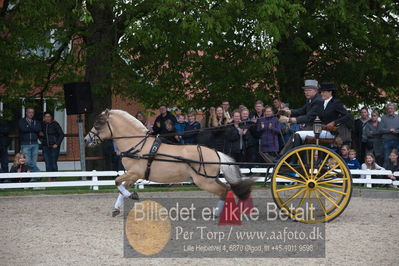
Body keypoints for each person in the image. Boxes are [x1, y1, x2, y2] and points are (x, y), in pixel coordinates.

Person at [41, 111, 65, 181]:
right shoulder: (42, 125)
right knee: (47, 163)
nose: (47, 118)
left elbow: (61, 134)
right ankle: (49, 177)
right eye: (46, 117)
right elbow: (39, 133)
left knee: (53, 162)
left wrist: (57, 144)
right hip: (45, 146)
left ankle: (54, 177)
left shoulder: (55, 124)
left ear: (51, 117)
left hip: (54, 147)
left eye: (49, 117)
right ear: (44, 118)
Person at [18, 107, 41, 173]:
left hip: (35, 144)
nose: (31, 114)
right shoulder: (22, 121)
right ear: (26, 113)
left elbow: (38, 129)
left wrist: (29, 127)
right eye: (29, 112)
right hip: (25, 144)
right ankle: (38, 173)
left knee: (33, 162)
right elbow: (23, 129)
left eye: (32, 112)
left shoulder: (36, 121)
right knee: (28, 161)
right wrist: (34, 129)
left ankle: (33, 178)